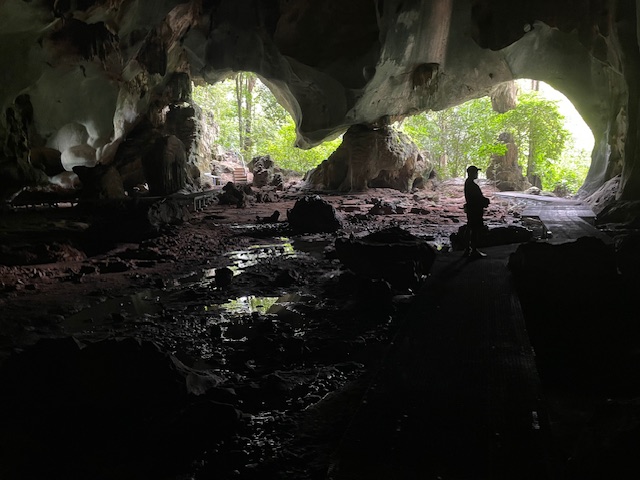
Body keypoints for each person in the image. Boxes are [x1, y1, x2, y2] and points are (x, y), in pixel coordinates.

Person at [463, 165, 490, 258]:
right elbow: (476, 198)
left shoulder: (468, 183)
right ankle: (473, 250)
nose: (477, 174)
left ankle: (467, 249)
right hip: (475, 210)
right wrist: (485, 201)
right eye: (476, 172)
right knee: (474, 230)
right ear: (472, 173)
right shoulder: (472, 185)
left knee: (470, 228)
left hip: (471, 209)